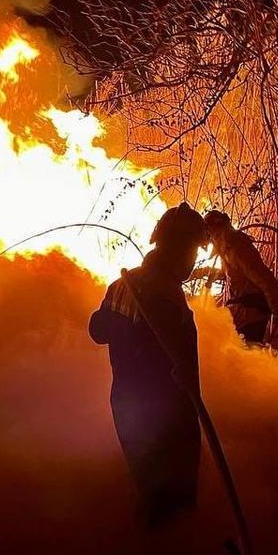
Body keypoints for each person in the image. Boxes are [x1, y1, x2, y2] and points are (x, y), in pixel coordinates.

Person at [89, 202, 208, 527]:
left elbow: (97, 330)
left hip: (127, 406)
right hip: (163, 415)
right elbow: (178, 366)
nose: (193, 261)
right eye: (193, 252)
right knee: (171, 500)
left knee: (152, 491)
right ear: (177, 247)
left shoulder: (123, 286)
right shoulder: (163, 295)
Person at [203, 210, 278, 345]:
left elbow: (263, 278)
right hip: (242, 316)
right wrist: (202, 272)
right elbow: (235, 274)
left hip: (251, 317)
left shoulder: (238, 248)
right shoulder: (227, 249)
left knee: (245, 358)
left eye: (213, 236)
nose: (212, 241)